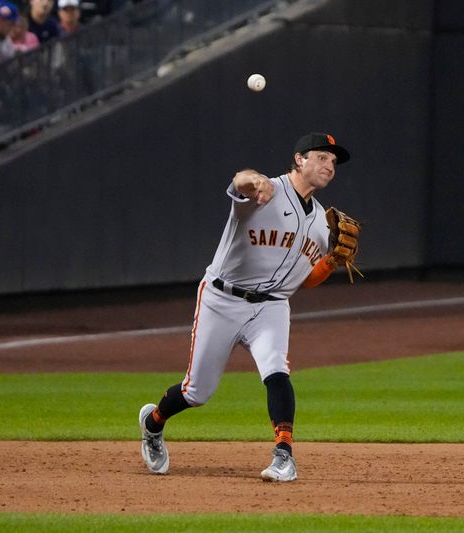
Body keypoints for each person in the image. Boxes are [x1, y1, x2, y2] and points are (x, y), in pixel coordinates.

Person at [139, 132, 354, 482]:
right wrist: (253, 180)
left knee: (276, 371)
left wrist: (329, 264)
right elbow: (240, 183)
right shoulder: (265, 191)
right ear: (300, 159)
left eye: (333, 162)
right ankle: (153, 423)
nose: (330, 165)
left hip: (271, 306)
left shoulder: (320, 222)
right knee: (196, 392)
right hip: (222, 299)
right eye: (322, 157)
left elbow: (302, 281)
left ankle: (284, 454)